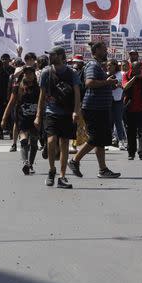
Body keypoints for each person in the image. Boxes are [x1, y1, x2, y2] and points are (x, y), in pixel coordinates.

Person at [69, 42, 121, 180]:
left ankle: (103, 170)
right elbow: (89, 83)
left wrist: (109, 81)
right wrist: (107, 82)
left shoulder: (99, 65)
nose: (106, 52)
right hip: (93, 108)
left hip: (101, 108)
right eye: (104, 50)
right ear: (96, 50)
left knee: (101, 140)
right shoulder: (93, 65)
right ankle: (74, 160)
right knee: (95, 138)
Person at [35, 46, 80, 189]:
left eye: (53, 54)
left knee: (65, 143)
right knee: (51, 140)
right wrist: (38, 116)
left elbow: (77, 94)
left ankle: (62, 176)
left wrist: (76, 111)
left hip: (67, 112)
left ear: (61, 56)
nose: (50, 57)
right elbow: (41, 96)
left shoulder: (72, 73)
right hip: (51, 112)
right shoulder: (46, 73)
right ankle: (51, 170)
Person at [3, 65, 40, 175]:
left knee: (33, 142)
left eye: (30, 73)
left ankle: (31, 164)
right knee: (24, 140)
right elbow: (11, 102)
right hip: (22, 117)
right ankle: (25, 162)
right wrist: (4, 118)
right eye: (26, 73)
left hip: (35, 118)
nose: (28, 75)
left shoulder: (38, 87)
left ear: (34, 75)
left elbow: (43, 102)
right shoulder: (18, 86)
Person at [122, 61, 142, 161]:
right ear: (131, 68)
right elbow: (125, 86)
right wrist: (134, 78)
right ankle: (131, 152)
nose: (139, 70)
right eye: (136, 68)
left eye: (140, 68)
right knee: (131, 131)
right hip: (129, 108)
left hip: (141, 107)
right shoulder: (126, 75)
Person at [108, 60, 126, 150]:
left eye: (110, 65)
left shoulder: (122, 74)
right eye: (107, 65)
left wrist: (118, 85)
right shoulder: (106, 74)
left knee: (118, 120)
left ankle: (121, 141)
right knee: (108, 121)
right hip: (108, 100)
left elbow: (124, 85)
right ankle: (107, 140)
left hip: (118, 100)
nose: (108, 67)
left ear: (115, 66)